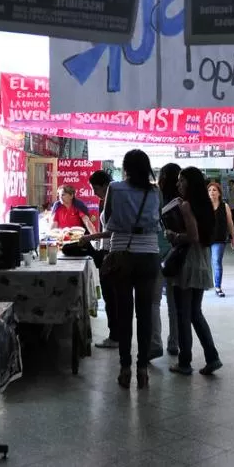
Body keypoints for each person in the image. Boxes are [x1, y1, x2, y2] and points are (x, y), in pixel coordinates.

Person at [102, 150, 161, 389]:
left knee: (124, 314)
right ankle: (143, 370)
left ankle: (125, 368)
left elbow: (106, 220)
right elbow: (157, 220)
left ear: (125, 167)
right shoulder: (155, 191)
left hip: (121, 254)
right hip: (148, 254)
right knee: (145, 314)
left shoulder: (114, 188)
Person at [166, 166, 222, 376]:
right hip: (201, 261)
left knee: (183, 314)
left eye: (182, 181)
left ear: (191, 183)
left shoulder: (187, 205)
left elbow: (193, 236)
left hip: (187, 262)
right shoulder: (205, 205)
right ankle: (212, 356)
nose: (178, 184)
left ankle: (184, 362)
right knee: (195, 312)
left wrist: (173, 235)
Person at [80, 170, 118, 349]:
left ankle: (115, 336)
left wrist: (89, 238)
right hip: (106, 249)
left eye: (96, 188)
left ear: (104, 185)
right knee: (111, 297)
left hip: (111, 252)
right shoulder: (107, 199)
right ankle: (116, 335)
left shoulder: (114, 201)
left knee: (112, 297)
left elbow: (113, 231)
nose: (94, 193)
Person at [156, 164, 182, 357]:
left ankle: (154, 341)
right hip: (176, 252)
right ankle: (174, 341)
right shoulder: (183, 200)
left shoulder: (155, 196)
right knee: (174, 302)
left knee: (153, 300)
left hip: (156, 251)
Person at [207, 181, 234, 297]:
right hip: (205, 239)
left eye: (214, 190)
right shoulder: (204, 206)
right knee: (206, 263)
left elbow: (230, 223)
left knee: (216, 261)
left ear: (219, 193)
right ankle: (207, 283)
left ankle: (218, 287)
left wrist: (233, 237)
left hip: (219, 239)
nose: (211, 192)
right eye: (209, 190)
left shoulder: (225, 206)